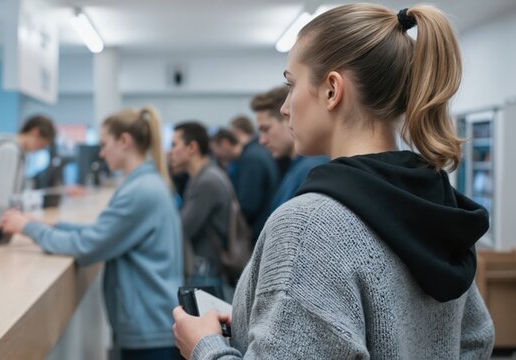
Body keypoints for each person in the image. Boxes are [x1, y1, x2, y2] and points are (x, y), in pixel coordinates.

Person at [172, 4, 494, 359]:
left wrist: (205, 347)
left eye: (291, 85)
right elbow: (475, 339)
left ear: (331, 90)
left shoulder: (309, 226)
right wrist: (269, 325)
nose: (284, 107)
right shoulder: (439, 205)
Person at [0, 107, 183, 360]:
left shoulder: (139, 191)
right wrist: (50, 226)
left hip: (149, 325)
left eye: (105, 143)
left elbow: (87, 245)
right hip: (151, 319)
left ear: (125, 141)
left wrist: (28, 228)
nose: (101, 152)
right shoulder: (145, 184)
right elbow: (104, 232)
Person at [168, 121, 236, 297]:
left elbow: (183, 228)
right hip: (206, 270)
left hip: (207, 272)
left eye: (174, 145)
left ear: (192, 147)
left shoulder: (207, 182)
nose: (171, 152)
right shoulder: (202, 176)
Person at [0, 115, 56, 228]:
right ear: (35, 132)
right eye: (41, 145)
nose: (38, 150)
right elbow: (3, 198)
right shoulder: (9, 151)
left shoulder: (16, 151)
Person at [255, 86, 329, 212]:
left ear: (287, 118)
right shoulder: (299, 166)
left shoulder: (310, 170)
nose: (262, 141)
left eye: (266, 129)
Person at [211, 128, 278, 242]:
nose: (217, 155)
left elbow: (248, 204)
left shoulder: (250, 159)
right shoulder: (255, 153)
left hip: (258, 231)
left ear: (225, 144)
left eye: (216, 150)